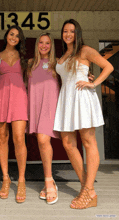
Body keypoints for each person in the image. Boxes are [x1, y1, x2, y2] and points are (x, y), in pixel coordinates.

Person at [53, 19, 114, 209]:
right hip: (67, 100)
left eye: (72, 31)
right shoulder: (64, 54)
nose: (68, 34)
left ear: (77, 33)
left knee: (88, 143)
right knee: (68, 143)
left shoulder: (85, 50)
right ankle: (87, 189)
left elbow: (108, 67)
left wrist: (93, 84)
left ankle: (87, 191)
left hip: (82, 99)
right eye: (65, 31)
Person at [0, 25, 28, 203]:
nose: (14, 37)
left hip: (20, 98)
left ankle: (21, 180)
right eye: (11, 34)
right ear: (6, 35)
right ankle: (6, 178)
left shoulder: (24, 59)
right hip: (0, 98)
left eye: (17, 36)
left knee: (19, 138)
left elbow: (41, 73)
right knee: (1, 138)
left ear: (20, 39)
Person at [27, 33, 60, 205]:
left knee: (42, 140)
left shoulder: (58, 63)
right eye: (41, 42)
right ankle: (49, 180)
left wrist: (88, 78)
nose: (44, 45)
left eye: (48, 43)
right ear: (37, 44)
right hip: (36, 107)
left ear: (51, 45)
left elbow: (71, 77)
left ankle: (48, 181)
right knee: (41, 142)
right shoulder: (31, 63)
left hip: (51, 108)